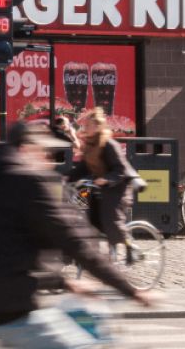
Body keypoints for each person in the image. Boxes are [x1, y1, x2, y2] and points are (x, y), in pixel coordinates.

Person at [0, 120, 158, 345]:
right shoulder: (29, 181)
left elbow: (5, 248)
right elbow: (76, 244)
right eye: (44, 151)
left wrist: (63, 282)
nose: (48, 159)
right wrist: (131, 290)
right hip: (4, 309)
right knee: (76, 343)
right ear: (26, 149)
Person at [67, 107, 141, 256]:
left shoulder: (109, 145)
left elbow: (121, 170)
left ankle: (129, 245)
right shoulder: (89, 145)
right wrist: (66, 178)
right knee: (91, 217)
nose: (85, 128)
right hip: (101, 187)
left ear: (98, 126)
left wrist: (106, 179)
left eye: (88, 126)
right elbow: (83, 168)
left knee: (110, 218)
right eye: (84, 126)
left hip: (118, 187)